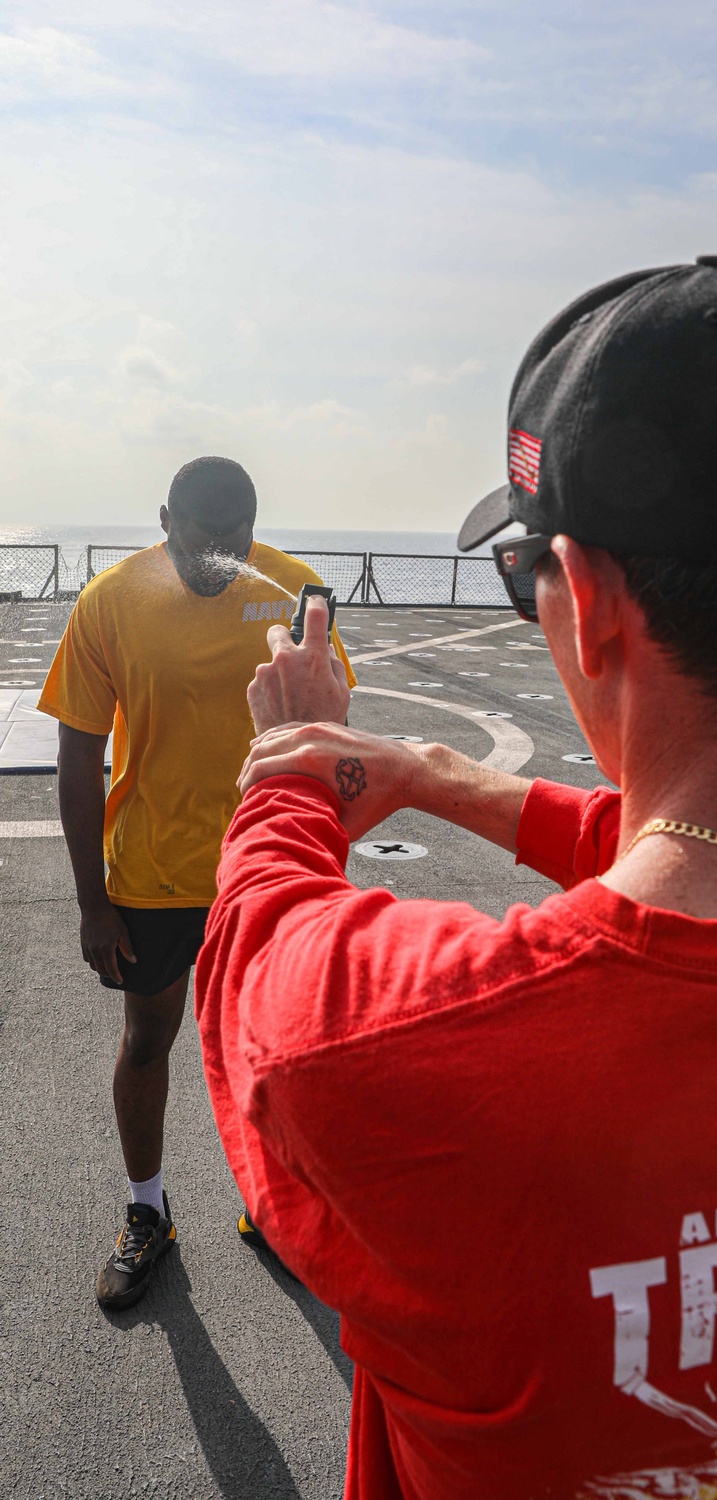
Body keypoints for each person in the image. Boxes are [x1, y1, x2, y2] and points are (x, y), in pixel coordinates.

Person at [196, 263, 717, 1498]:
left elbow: (260, 936)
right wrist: (449, 777)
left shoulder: (385, 1049)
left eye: (532, 579)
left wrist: (293, 763)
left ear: (595, 607)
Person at [38, 455, 356, 1311]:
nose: (219, 559)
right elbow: (77, 753)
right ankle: (149, 1213)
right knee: (149, 1042)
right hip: (152, 872)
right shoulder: (111, 601)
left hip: (269, 868)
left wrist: (322, 861)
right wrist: (90, 902)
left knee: (278, 1050)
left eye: (236, 541)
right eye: (199, 541)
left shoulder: (296, 595)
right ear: (165, 519)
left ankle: (269, 1206)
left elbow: (331, 732)